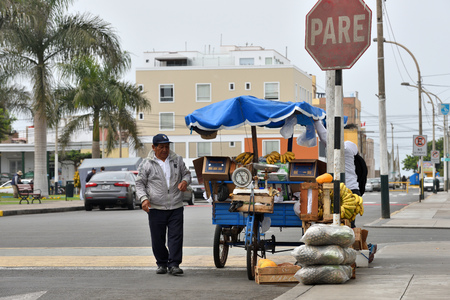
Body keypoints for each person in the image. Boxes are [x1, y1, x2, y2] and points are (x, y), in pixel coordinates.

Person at [135, 133, 191, 276]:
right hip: (156, 207)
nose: (165, 150)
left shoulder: (177, 160)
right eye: (161, 147)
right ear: (154, 147)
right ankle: (161, 263)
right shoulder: (146, 164)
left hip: (176, 206)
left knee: (176, 236)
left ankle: (174, 264)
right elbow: (139, 183)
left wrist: (185, 182)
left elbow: (186, 174)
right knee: (158, 239)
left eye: (167, 146)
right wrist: (143, 198)